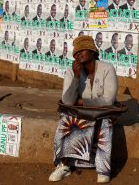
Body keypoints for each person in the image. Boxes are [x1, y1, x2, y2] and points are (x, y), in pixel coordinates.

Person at [49, 35, 117, 183]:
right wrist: (76, 77)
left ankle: (102, 169)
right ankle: (65, 165)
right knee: (66, 119)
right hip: (80, 113)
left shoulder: (107, 69)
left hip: (103, 112)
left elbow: (108, 100)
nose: (78, 54)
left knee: (105, 123)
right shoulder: (71, 71)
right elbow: (67, 101)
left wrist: (80, 101)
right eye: (75, 53)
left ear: (93, 52)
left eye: (82, 50)